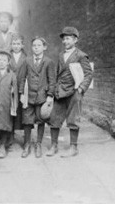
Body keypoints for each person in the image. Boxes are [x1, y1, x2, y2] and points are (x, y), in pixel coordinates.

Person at [47, 26, 93, 157]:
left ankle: (73, 147)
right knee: (54, 118)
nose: (65, 42)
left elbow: (88, 74)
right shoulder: (61, 55)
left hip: (74, 92)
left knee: (73, 120)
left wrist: (81, 89)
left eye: (68, 39)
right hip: (60, 92)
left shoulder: (81, 56)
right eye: (64, 39)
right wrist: (54, 89)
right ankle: (54, 146)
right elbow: (57, 73)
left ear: (75, 40)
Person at [18, 37, 56, 158]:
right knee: (27, 121)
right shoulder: (27, 61)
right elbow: (22, 78)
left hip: (42, 96)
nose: (36, 48)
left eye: (39, 45)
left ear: (44, 47)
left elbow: (52, 80)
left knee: (41, 119)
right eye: (34, 45)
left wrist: (50, 95)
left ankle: (38, 144)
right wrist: (21, 94)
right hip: (28, 96)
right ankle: (27, 144)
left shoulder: (48, 62)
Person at [7, 33, 27, 146]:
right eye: (13, 43)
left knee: (23, 111)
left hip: (22, 87)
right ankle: (10, 134)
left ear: (22, 45)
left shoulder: (26, 57)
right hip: (9, 87)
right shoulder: (7, 57)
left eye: (18, 44)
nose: (16, 46)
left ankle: (26, 136)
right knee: (11, 110)